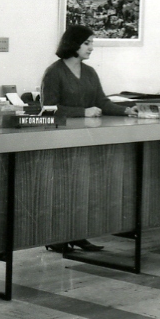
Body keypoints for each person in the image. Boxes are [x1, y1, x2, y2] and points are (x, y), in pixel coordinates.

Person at [41, 24, 138, 252]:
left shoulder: (90, 72)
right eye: (87, 43)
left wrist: (125, 111)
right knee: (64, 190)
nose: (92, 48)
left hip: (87, 137)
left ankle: (78, 235)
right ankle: (57, 238)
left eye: (92, 43)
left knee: (83, 189)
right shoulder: (54, 72)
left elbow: (102, 101)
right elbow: (47, 109)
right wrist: (81, 111)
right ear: (73, 45)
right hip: (62, 139)